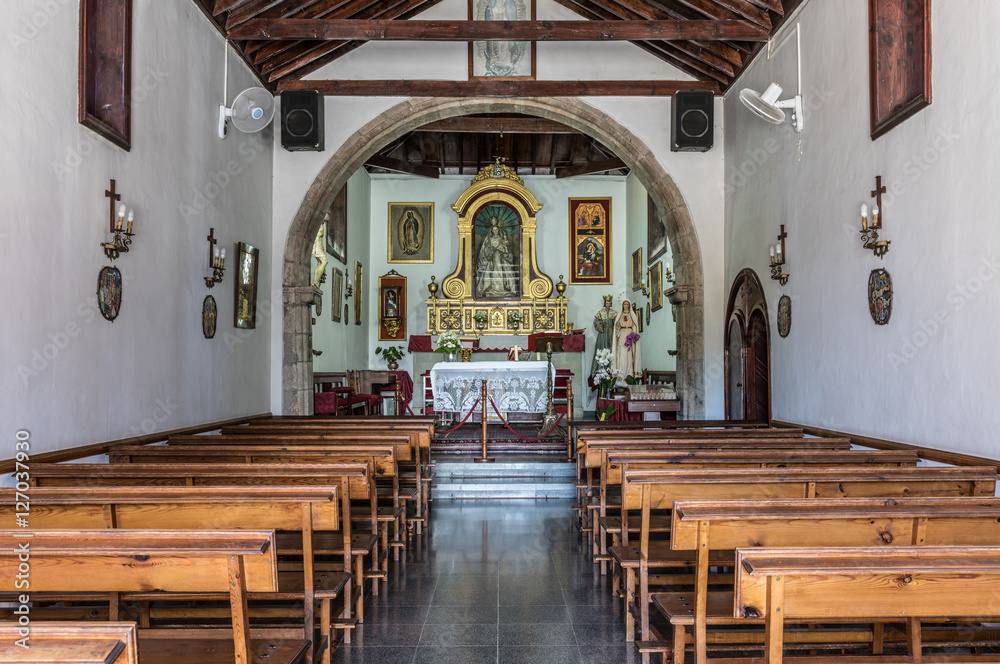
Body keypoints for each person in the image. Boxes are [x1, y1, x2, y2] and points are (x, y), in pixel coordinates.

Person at [476, 220, 517, 297]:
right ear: (492, 231)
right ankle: (492, 289)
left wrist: (503, 247)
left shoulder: (502, 239)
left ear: (498, 230)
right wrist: (491, 250)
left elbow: (506, 249)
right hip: (492, 259)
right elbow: (485, 249)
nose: (495, 231)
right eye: (494, 230)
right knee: (490, 273)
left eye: (496, 230)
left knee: (505, 274)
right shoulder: (489, 239)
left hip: (501, 259)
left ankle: (503, 289)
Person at [591, 295, 617, 377]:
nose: (608, 304)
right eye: (606, 303)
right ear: (604, 303)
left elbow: (618, 325)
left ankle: (611, 370)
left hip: (612, 334)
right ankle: (601, 370)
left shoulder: (614, 313)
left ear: (611, 304)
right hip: (602, 335)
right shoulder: (600, 313)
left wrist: (614, 321)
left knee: (612, 351)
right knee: (602, 350)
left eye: (609, 303)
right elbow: (595, 323)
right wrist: (600, 323)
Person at [614, 300, 641, 379]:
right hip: (622, 334)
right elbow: (617, 328)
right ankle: (621, 374)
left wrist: (633, 334)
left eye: (627, 304)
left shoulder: (632, 315)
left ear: (629, 305)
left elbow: (635, 326)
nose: (626, 306)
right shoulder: (620, 315)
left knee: (629, 354)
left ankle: (628, 374)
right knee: (622, 353)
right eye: (624, 304)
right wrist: (617, 326)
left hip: (629, 334)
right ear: (622, 305)